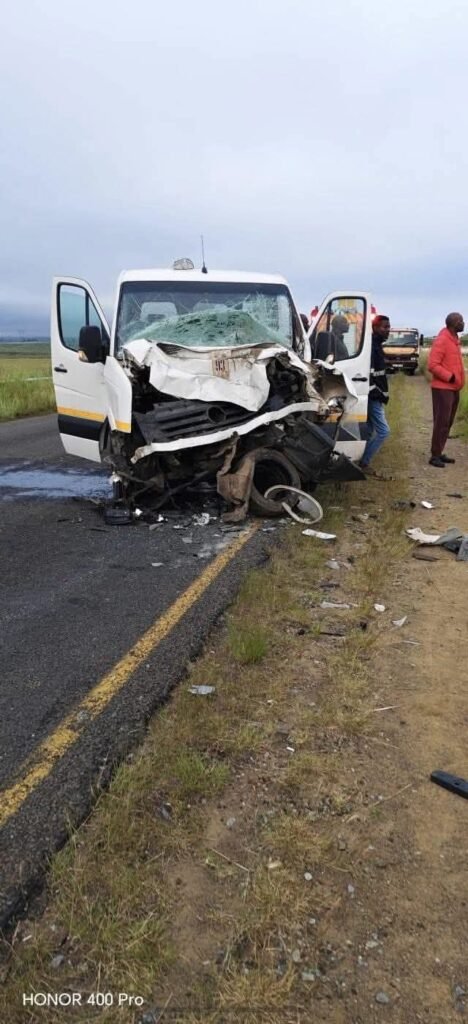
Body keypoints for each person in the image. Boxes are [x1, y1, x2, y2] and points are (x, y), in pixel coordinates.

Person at [427, 312, 465, 467]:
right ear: (453, 323)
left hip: (453, 389)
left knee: (447, 422)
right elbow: (432, 365)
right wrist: (450, 377)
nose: (463, 323)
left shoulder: (455, 340)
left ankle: (439, 451)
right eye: (460, 321)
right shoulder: (442, 340)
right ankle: (434, 456)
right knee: (441, 422)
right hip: (443, 389)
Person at [360, 315, 391, 474]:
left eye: (388, 327)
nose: (388, 330)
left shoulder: (377, 346)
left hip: (376, 396)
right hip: (373, 397)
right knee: (384, 431)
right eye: (384, 327)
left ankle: (358, 459)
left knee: (369, 430)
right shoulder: (372, 347)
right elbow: (369, 376)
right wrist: (378, 394)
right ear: (375, 328)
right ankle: (364, 462)